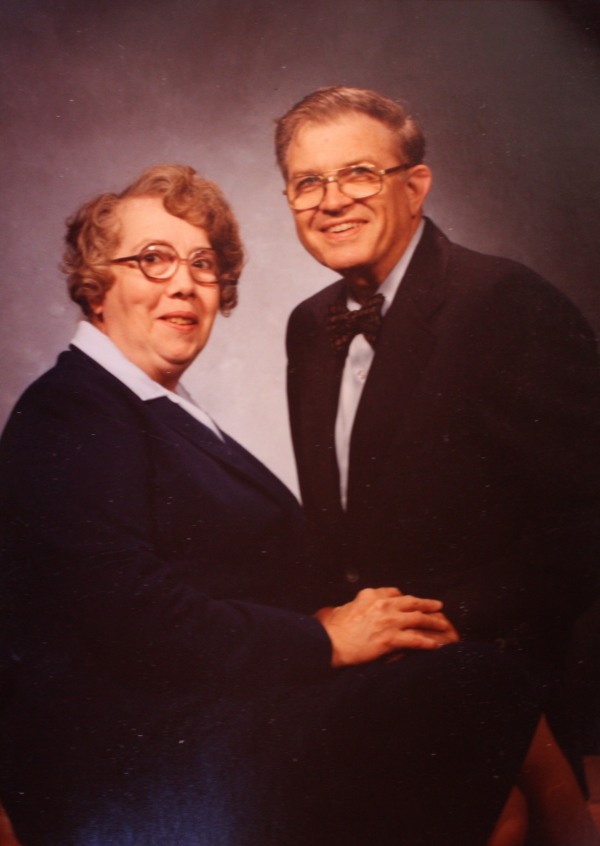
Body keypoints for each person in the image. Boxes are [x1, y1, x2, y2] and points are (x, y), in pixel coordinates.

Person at [0, 164, 538, 846]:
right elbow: (134, 619)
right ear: (96, 285)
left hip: (205, 725)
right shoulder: (72, 410)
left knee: (452, 662)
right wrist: (324, 640)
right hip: (136, 770)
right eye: (154, 258)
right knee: (477, 682)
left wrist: (355, 626)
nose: (185, 283)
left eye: (203, 264)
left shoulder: (155, 407)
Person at [277, 86, 600, 841]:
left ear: (416, 185)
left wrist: (453, 618)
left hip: (498, 690)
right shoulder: (308, 326)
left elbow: (588, 529)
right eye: (307, 182)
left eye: (359, 173)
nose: (332, 200)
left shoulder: (505, 302)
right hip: (366, 694)